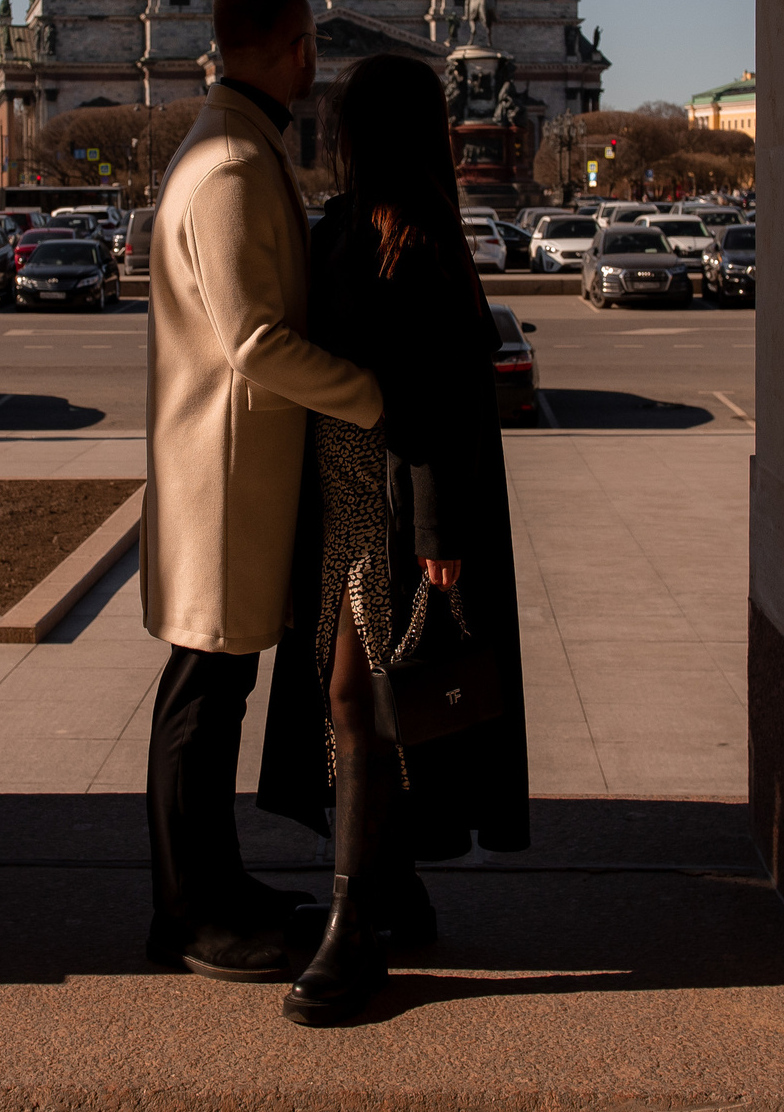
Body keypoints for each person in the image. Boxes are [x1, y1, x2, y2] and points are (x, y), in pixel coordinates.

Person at [258, 52, 531, 1026]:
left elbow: (440, 397)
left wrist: (435, 528)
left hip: (384, 510)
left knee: (360, 702)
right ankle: (398, 882)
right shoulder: (347, 224)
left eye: (346, 118)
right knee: (360, 700)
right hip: (339, 500)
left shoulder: (413, 240)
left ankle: (352, 923)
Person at [142, 0, 385, 981]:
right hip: (228, 474)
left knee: (212, 693)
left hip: (222, 468)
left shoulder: (230, 144)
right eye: (309, 45)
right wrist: (372, 396)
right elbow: (254, 343)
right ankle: (193, 914)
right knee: (202, 703)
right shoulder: (236, 163)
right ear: (296, 48)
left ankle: (215, 889)